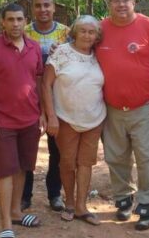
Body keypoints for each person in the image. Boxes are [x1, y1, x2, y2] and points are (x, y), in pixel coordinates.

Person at [95, 0, 149, 231]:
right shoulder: (100, 29)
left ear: (133, 2)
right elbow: (81, 49)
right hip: (111, 107)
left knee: (147, 156)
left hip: (144, 106)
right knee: (116, 156)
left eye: (125, 0)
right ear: (109, 3)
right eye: (116, 0)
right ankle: (124, 199)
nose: (121, 5)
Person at [0, 3, 46, 238]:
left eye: (19, 19)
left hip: (30, 119)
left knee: (22, 168)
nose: (15, 24)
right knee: (5, 170)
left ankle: (17, 212)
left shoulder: (34, 48)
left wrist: (42, 113)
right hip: (3, 120)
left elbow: (38, 82)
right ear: (2, 22)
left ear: (25, 21)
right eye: (10, 20)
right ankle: (5, 223)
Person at [43, 15, 106, 226]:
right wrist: (50, 115)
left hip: (94, 118)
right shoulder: (61, 53)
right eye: (83, 31)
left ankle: (81, 207)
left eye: (92, 32)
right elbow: (46, 84)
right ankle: (69, 202)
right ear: (74, 32)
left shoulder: (100, 56)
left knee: (86, 163)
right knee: (67, 162)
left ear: (97, 36)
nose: (87, 35)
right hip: (65, 118)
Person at [22, 0, 70, 212]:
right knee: (27, 149)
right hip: (27, 98)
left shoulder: (66, 34)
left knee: (56, 150)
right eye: (38, 5)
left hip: (57, 98)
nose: (43, 10)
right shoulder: (22, 32)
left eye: (46, 5)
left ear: (54, 8)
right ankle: (24, 196)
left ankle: (54, 194)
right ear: (32, 9)